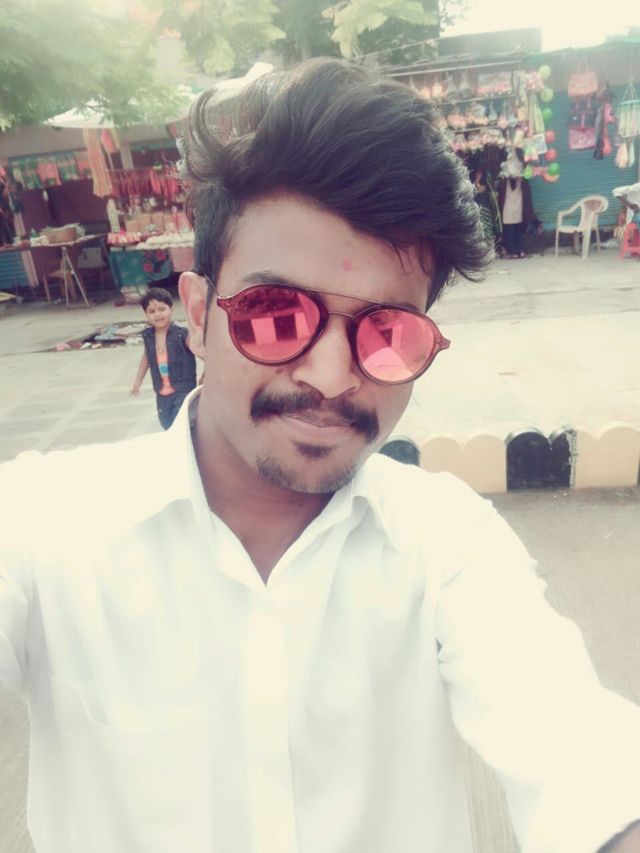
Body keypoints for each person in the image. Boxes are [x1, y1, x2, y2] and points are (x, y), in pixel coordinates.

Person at [1, 59, 639, 853]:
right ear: (197, 315)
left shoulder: (447, 545)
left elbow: (577, 747)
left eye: (388, 333)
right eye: (275, 314)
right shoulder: (42, 528)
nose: (331, 377)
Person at [130, 286, 197, 429]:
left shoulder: (182, 334)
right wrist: (138, 381)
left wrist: (207, 374)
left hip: (183, 389)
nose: (158, 314)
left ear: (171, 309)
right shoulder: (148, 336)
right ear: (146, 314)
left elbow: (200, 352)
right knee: (166, 423)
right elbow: (147, 357)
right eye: (152, 311)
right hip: (161, 391)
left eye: (162, 309)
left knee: (181, 424)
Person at [498, 149, 536, 259]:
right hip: (513, 209)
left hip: (512, 209)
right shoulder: (513, 180)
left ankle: (515, 251)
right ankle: (518, 251)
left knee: (512, 231)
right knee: (515, 231)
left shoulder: (512, 180)